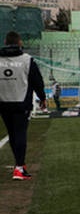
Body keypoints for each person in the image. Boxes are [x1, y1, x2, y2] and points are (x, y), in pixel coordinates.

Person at [0, 31, 46, 180]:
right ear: (19, 43)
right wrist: (42, 97)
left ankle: (19, 165)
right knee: (20, 133)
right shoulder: (27, 60)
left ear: (5, 42)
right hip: (21, 102)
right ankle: (19, 167)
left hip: (3, 102)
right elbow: (37, 81)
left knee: (12, 134)